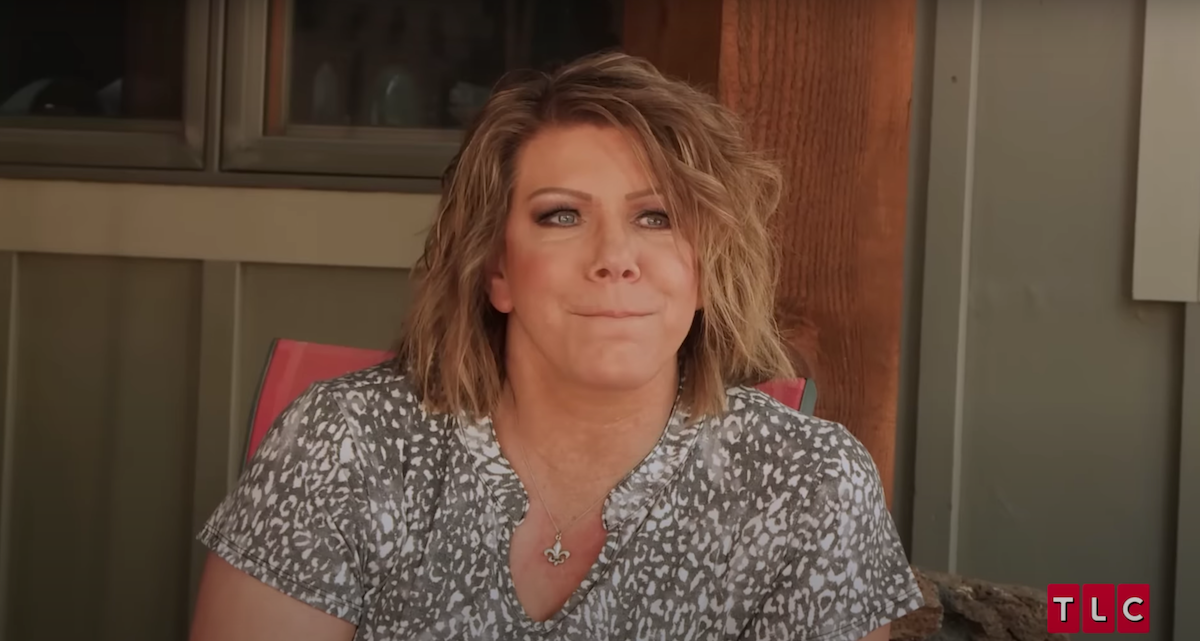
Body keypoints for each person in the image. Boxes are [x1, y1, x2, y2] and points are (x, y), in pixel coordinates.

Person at [188, 51, 922, 641]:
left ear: (707, 272)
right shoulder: (346, 442)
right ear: (497, 269)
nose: (615, 259)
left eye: (657, 217)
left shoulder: (809, 483)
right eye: (562, 215)